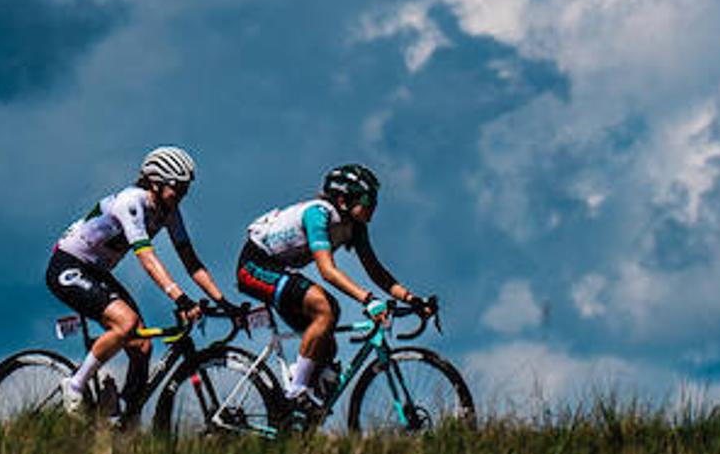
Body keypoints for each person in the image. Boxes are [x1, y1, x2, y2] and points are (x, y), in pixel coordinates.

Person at [46, 146, 233, 416]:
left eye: (185, 189)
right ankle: (74, 386)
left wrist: (223, 301)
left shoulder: (170, 211)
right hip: (68, 265)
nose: (182, 195)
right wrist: (179, 297)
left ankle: (119, 414)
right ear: (155, 184)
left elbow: (191, 262)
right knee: (126, 323)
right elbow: (147, 259)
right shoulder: (131, 202)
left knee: (142, 345)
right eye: (177, 188)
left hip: (96, 272)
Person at [235, 163, 437, 409]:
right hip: (254, 265)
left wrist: (412, 299)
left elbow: (376, 271)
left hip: (278, 269)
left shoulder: (356, 227)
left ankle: (297, 410)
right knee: (324, 306)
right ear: (343, 200)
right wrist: (368, 300)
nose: (374, 207)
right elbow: (327, 271)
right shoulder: (318, 214)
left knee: (327, 343)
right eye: (368, 200)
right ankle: (296, 394)